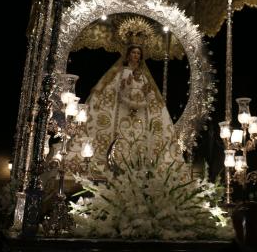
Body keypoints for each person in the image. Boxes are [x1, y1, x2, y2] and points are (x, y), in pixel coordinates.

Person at [69, 43, 182, 172]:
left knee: (140, 138)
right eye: (133, 52)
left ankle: (139, 165)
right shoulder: (120, 73)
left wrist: (146, 94)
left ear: (141, 57)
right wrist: (124, 87)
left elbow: (149, 94)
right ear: (128, 55)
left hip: (140, 115)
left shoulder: (144, 77)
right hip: (121, 110)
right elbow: (112, 91)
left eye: (138, 53)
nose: (136, 55)